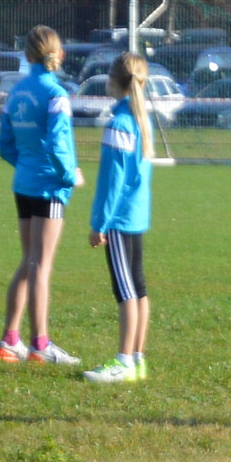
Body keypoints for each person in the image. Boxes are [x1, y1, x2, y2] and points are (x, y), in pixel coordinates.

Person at [0, 24, 81, 365]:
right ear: (59, 54)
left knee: (29, 261)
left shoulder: (16, 92)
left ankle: (9, 340)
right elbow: (59, 144)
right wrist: (69, 175)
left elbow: (4, 144)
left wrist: (26, 165)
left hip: (24, 183)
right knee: (41, 266)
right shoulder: (56, 94)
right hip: (49, 186)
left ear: (27, 55)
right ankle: (40, 345)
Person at [80, 54, 155, 385]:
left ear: (113, 81)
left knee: (126, 291)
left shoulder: (119, 124)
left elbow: (112, 182)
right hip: (135, 216)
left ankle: (124, 361)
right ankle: (137, 359)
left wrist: (99, 223)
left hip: (119, 220)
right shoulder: (139, 119)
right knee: (138, 288)